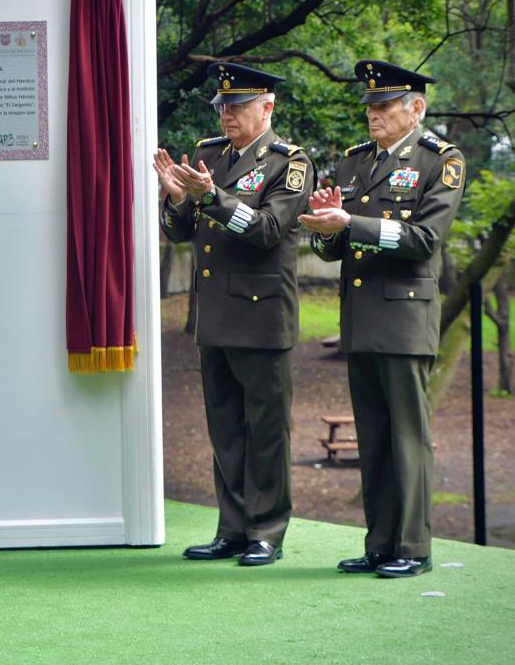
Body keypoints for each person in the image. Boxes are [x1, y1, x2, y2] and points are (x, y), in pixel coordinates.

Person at [299, 60, 466, 579]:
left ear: (415, 109)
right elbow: (332, 249)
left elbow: (424, 241)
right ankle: (380, 543)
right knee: (373, 435)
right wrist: (328, 230)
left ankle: (413, 546)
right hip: (362, 318)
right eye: (370, 106)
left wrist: (353, 222)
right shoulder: (354, 163)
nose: (373, 114)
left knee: (407, 437)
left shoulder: (441, 160)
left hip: (404, 317)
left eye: (384, 105)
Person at [154, 62, 314, 566]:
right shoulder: (209, 157)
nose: (227, 115)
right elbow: (181, 233)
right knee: (224, 427)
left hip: (262, 316)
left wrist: (212, 198)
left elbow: (266, 229)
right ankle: (232, 527)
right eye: (222, 107)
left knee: (265, 429)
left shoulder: (290, 164)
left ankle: (266, 531)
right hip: (216, 315)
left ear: (267, 108)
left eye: (238, 106)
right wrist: (179, 198)